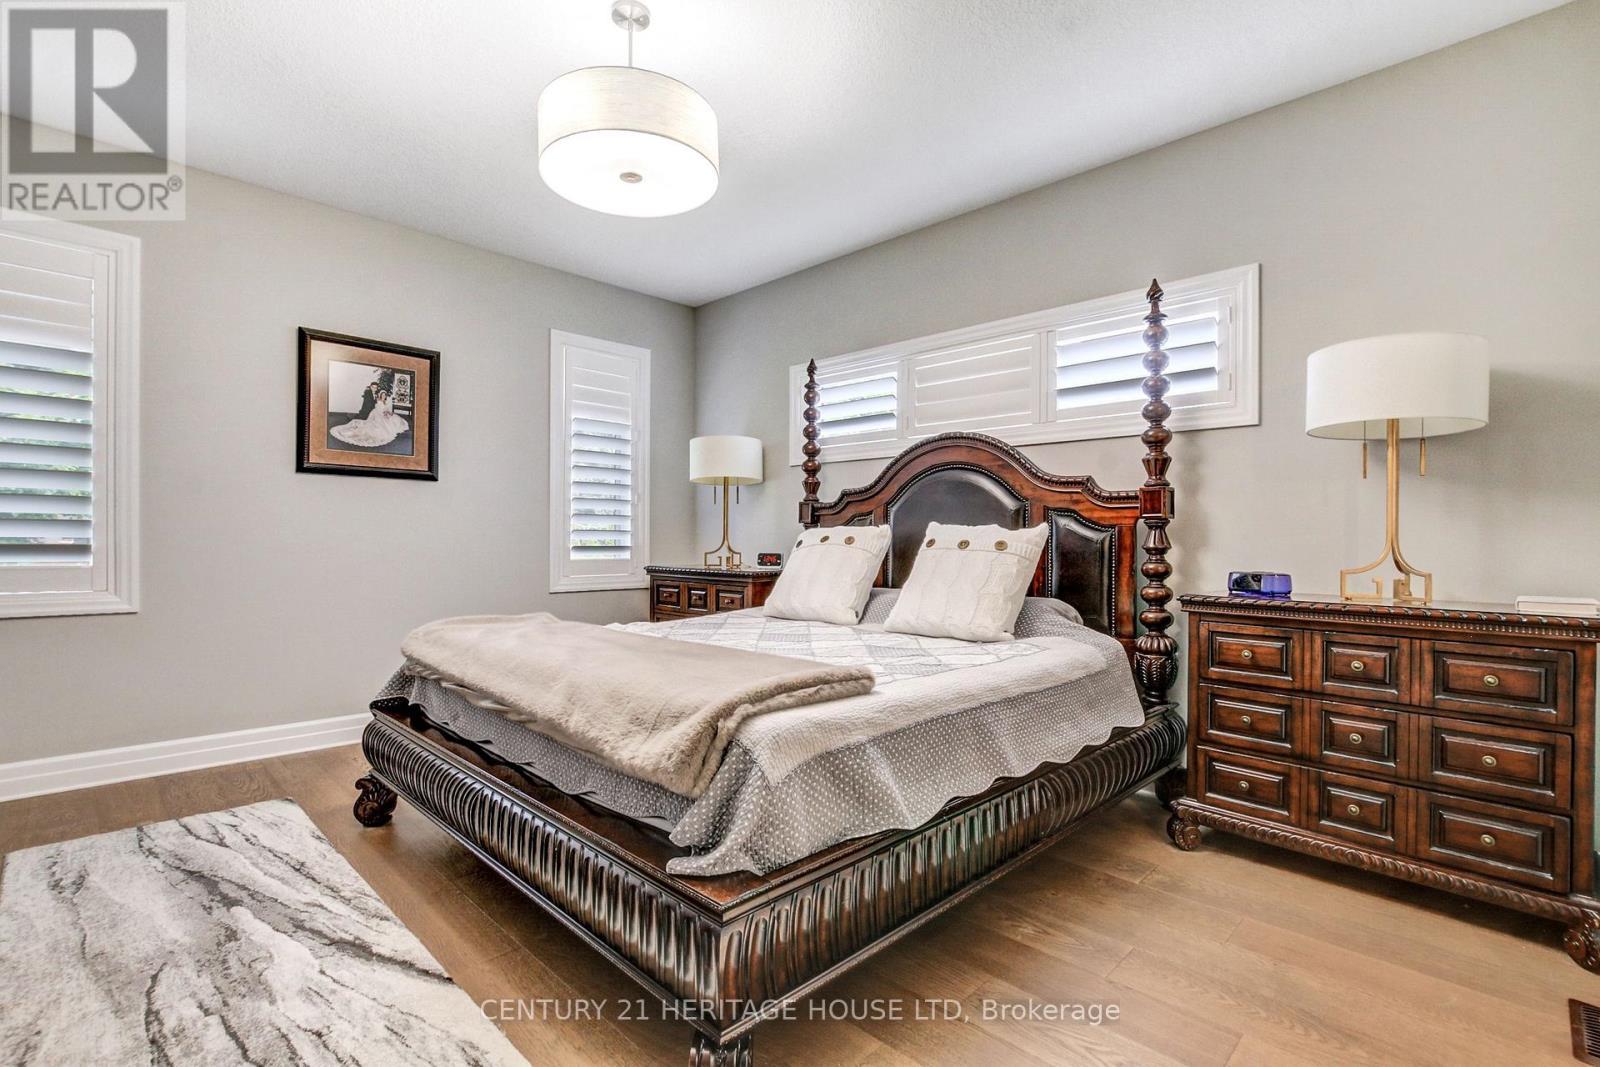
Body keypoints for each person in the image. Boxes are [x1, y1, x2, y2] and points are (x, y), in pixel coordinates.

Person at [331, 379, 409, 448]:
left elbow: (384, 407)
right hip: (371, 411)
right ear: (370, 387)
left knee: (394, 418)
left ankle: (395, 427)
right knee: (379, 423)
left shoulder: (379, 396)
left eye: (376, 387)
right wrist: (381, 412)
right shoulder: (368, 393)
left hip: (379, 411)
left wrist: (388, 412)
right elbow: (374, 406)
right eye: (373, 387)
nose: (374, 389)